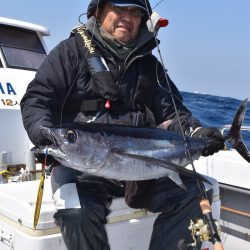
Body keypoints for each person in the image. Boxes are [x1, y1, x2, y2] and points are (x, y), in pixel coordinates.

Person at [20, 0, 225, 249]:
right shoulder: (70, 52)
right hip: (82, 169)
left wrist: (197, 132)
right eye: (120, 8)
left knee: (195, 191)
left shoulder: (149, 66)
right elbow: (37, 99)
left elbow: (175, 115)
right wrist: (41, 131)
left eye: (135, 13)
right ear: (100, 10)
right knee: (75, 213)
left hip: (140, 170)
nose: (127, 17)